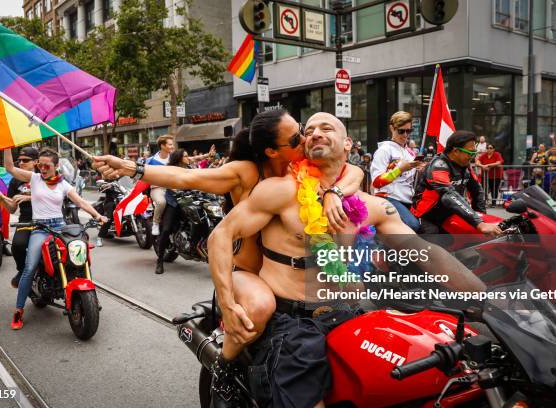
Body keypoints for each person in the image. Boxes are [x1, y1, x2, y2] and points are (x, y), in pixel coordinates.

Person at [207, 112, 486, 408]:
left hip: (351, 312)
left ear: (348, 144)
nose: (315, 133)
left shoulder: (371, 205)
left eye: (326, 128)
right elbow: (220, 237)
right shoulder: (280, 190)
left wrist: (485, 299)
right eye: (309, 129)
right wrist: (228, 304)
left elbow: (426, 252)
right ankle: (223, 370)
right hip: (294, 320)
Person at [92, 109, 365, 405]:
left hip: (290, 279)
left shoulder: (300, 167)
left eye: (302, 129)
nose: (306, 138)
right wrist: (131, 168)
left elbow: (353, 171)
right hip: (248, 271)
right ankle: (223, 366)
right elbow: (185, 177)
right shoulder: (248, 172)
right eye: (298, 137)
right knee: (260, 306)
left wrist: (334, 192)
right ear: (273, 150)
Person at [3, 147, 107, 330]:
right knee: (29, 267)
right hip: (40, 228)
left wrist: (98, 216)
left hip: (60, 226)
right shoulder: (34, 179)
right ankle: (18, 310)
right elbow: (10, 168)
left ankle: (90, 297)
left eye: (47, 166)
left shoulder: (63, 184)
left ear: (56, 166)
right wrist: (6, 145)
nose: (42, 168)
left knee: (80, 258)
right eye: (40, 165)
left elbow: (81, 202)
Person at [411, 131, 502, 236]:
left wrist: (481, 220)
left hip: (448, 214)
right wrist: (480, 224)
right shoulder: (438, 166)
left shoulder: (465, 165)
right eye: (469, 153)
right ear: (455, 151)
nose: (472, 156)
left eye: (474, 153)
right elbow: (448, 195)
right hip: (426, 216)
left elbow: (477, 192)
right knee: (435, 237)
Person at [0, 147, 38, 287]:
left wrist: (29, 197)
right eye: (19, 160)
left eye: (25, 160)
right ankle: (22, 270)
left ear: (36, 162)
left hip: (48, 219)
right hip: (26, 221)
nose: (21, 163)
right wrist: (2, 199)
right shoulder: (14, 181)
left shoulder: (44, 175)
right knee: (17, 246)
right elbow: (12, 209)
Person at [371, 111, 423, 232]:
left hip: (409, 199)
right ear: (392, 128)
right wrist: (399, 169)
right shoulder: (384, 150)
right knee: (413, 226)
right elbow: (376, 182)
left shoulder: (410, 152)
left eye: (408, 131)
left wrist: (421, 170)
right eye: (401, 131)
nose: (405, 135)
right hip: (388, 198)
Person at [155, 149, 190, 274]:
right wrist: (176, 190)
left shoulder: (189, 168)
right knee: (166, 229)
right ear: (179, 158)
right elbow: (167, 183)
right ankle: (159, 261)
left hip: (187, 201)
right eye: (186, 156)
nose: (188, 157)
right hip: (173, 202)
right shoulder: (170, 169)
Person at [146, 135, 175, 236]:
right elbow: (142, 175)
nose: (172, 146)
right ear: (163, 146)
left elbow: (189, 159)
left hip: (173, 188)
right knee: (161, 202)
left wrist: (207, 156)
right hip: (157, 188)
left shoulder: (173, 157)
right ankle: (155, 223)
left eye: (172, 144)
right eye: (170, 144)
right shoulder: (150, 161)